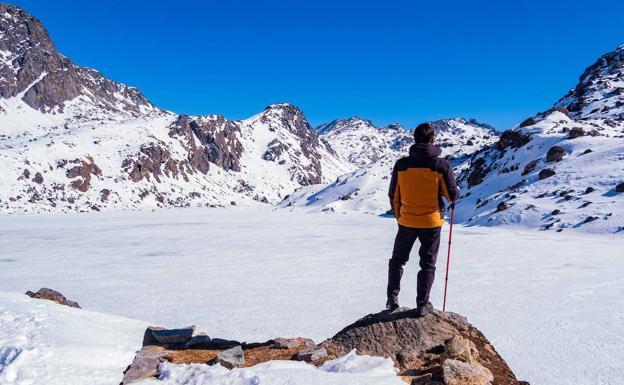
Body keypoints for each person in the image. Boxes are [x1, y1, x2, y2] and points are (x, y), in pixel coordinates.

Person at [386, 122, 460, 317]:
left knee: (397, 261)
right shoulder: (441, 165)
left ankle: (392, 298)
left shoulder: (401, 164)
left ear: (415, 140)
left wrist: (400, 217)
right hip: (431, 222)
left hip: (407, 221)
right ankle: (422, 304)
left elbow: (394, 195)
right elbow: (451, 195)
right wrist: (456, 192)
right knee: (427, 264)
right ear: (432, 140)